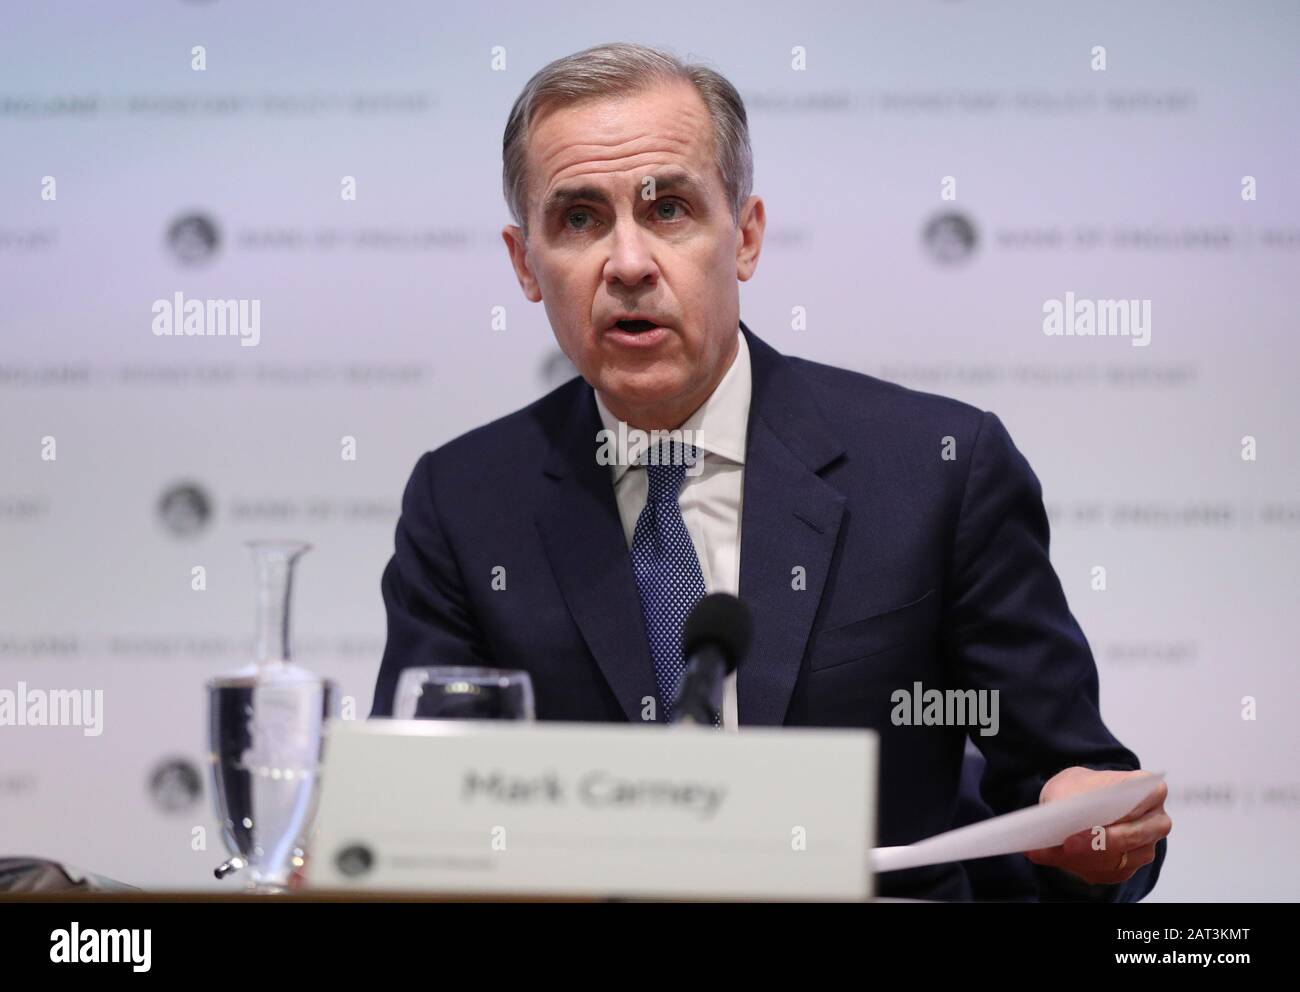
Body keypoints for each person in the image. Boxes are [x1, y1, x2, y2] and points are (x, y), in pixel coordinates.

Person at [370, 42, 1170, 901]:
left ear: (744, 236)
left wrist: (1091, 819)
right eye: (578, 220)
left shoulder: (936, 471)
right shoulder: (464, 503)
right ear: (524, 264)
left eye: (669, 209)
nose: (630, 264)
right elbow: (417, 826)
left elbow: (1072, 782)